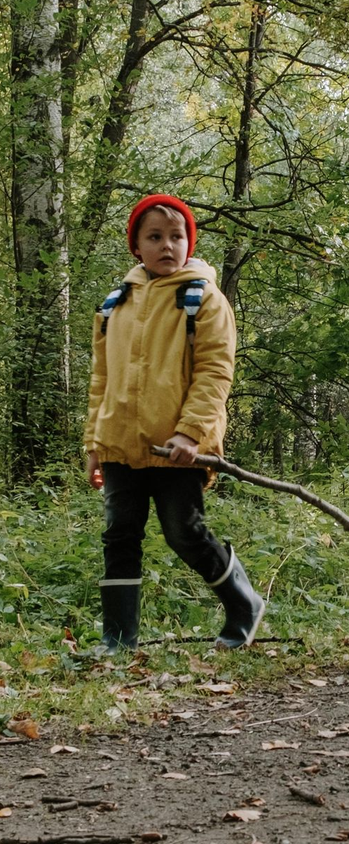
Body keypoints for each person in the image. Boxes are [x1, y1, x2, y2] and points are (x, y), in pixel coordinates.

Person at [84, 194, 265, 653]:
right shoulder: (113, 304)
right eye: (155, 237)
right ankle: (118, 640)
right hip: (120, 444)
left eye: (177, 236)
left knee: (183, 532)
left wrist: (190, 432)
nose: (168, 246)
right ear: (136, 247)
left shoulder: (203, 298)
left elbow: (215, 372)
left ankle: (243, 604)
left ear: (189, 242)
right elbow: (100, 379)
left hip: (178, 446)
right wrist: (94, 443)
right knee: (119, 535)